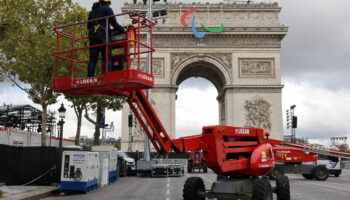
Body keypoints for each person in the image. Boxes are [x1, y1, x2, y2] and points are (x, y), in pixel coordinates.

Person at [87, 0, 125, 77]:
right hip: (103, 38)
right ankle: (108, 76)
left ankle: (89, 77)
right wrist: (122, 30)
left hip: (93, 38)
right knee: (107, 58)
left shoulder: (92, 12)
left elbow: (88, 26)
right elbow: (114, 23)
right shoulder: (107, 9)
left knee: (93, 59)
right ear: (107, 2)